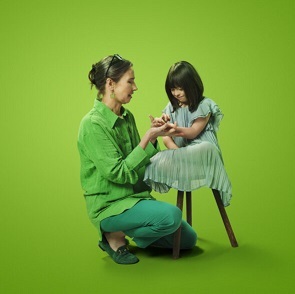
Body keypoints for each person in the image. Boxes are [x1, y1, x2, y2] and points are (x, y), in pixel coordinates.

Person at [77, 54, 197, 265]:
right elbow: (118, 173)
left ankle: (127, 232)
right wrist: (147, 138)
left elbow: (138, 161)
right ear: (110, 84)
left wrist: (154, 135)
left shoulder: (127, 117)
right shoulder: (92, 125)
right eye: (130, 81)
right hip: (110, 205)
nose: (135, 87)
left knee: (188, 239)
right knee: (171, 216)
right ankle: (112, 235)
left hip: (135, 198)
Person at [144, 61, 232, 207]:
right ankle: (179, 156)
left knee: (206, 148)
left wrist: (175, 130)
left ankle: (182, 155)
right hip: (181, 154)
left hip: (202, 153)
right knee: (153, 159)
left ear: (192, 86)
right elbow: (166, 138)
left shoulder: (205, 105)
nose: (176, 93)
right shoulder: (171, 107)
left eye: (180, 88)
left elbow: (193, 132)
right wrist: (166, 134)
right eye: (173, 89)